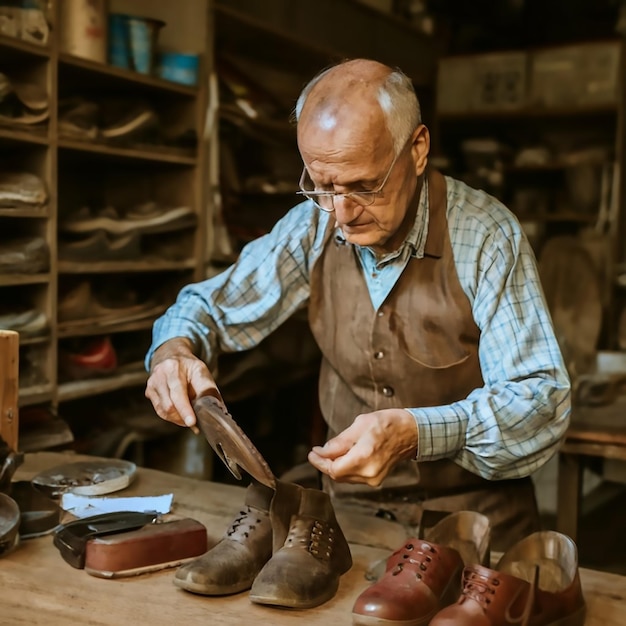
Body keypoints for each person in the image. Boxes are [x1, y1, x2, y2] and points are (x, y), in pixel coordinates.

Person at [145, 58, 571, 551]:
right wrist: (173, 351)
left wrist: (417, 432)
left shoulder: (487, 237)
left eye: (365, 186)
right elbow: (206, 307)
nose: (341, 213)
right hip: (347, 521)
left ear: (417, 149)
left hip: (475, 522)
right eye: (322, 185)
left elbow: (541, 402)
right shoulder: (315, 223)